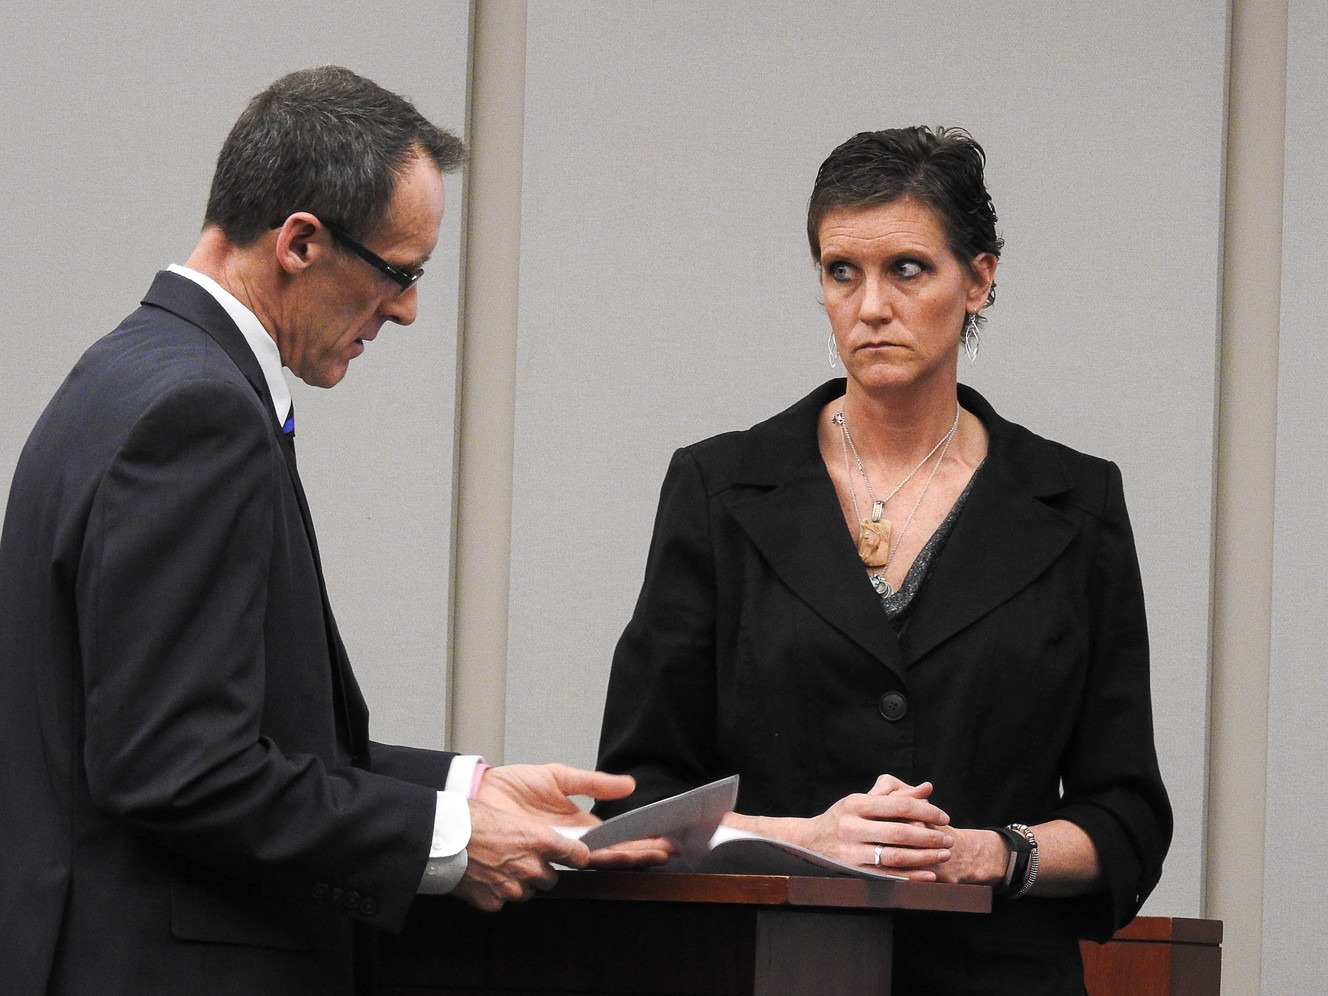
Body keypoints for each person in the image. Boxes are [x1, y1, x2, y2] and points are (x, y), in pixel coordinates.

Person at [0, 67, 665, 995]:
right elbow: (178, 766)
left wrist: (465, 791)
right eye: (400, 272)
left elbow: (242, 731)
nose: (406, 309)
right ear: (302, 242)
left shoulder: (127, 371)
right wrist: (451, 843)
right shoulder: (196, 412)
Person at [595, 126, 1171, 994]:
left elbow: (1127, 814)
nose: (870, 306)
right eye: (841, 272)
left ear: (979, 278)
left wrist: (993, 853)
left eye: (908, 268)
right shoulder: (720, 487)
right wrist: (806, 838)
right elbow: (638, 801)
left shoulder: (1075, 503)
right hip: (759, 968)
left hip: (997, 973)